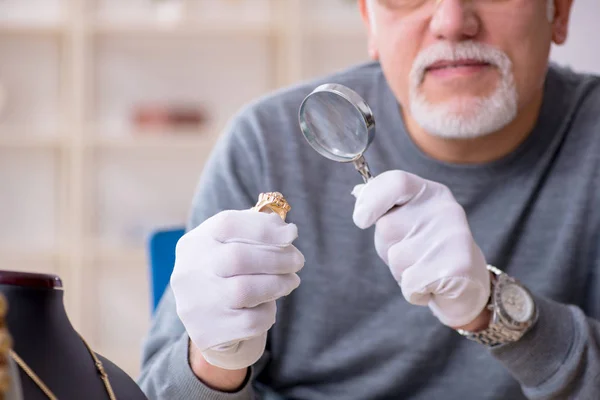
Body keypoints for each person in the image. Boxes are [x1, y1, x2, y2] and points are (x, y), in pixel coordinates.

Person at [137, 0, 600, 398]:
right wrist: (215, 360)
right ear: (369, 21)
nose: (453, 21)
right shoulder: (265, 144)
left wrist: (499, 310)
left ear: (558, 11)